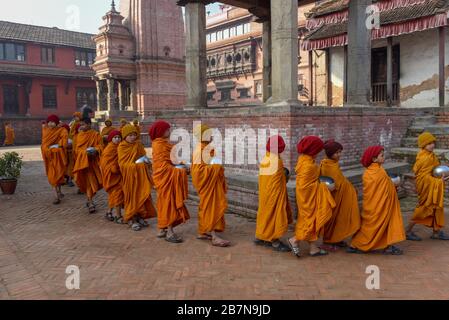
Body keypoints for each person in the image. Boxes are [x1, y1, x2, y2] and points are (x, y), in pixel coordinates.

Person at [347, 146, 405, 255]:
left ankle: (385, 245)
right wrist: (394, 187)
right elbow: (384, 187)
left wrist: (391, 188)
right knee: (375, 226)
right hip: (379, 205)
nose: (384, 157)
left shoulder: (370, 171)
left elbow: (385, 186)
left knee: (374, 225)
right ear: (374, 159)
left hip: (376, 204)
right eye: (382, 155)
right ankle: (358, 244)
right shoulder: (378, 172)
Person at [288, 136, 336, 258]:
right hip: (307, 198)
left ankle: (313, 249)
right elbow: (306, 186)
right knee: (310, 221)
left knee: (311, 221)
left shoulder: (304, 159)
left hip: (307, 197)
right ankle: (295, 239)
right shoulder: (309, 166)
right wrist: (325, 187)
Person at [150, 120, 190, 243]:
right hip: (164, 178)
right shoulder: (158, 145)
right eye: (167, 130)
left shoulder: (165, 144)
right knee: (168, 204)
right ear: (161, 132)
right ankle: (169, 232)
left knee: (163, 203)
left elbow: (173, 160)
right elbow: (163, 167)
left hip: (167, 178)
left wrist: (183, 164)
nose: (169, 131)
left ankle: (162, 229)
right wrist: (180, 171)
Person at [191, 124, 230, 247]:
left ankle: (203, 231)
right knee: (210, 207)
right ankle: (214, 236)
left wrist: (215, 167)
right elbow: (198, 172)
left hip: (212, 183)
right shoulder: (199, 150)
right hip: (207, 184)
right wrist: (215, 168)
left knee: (207, 206)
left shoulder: (207, 147)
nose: (211, 136)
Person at [406, 132, 449, 241]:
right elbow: (423, 177)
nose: (432, 145)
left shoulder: (431, 155)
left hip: (432, 186)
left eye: (433, 142)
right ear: (423, 145)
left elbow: (434, 170)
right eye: (429, 143)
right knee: (423, 209)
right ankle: (407, 231)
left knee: (436, 207)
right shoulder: (424, 158)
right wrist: (438, 181)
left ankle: (436, 232)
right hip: (426, 188)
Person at [319, 140, 361, 250]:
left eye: (340, 152)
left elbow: (341, 180)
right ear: (329, 153)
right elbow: (333, 183)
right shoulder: (326, 165)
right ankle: (328, 241)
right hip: (334, 198)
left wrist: (350, 189)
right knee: (332, 219)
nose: (339, 155)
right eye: (337, 153)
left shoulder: (334, 164)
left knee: (340, 218)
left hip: (342, 197)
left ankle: (336, 239)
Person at [255, 135, 292, 252]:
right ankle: (274, 241)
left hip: (265, 192)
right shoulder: (277, 161)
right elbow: (280, 180)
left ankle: (262, 235)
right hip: (274, 194)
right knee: (274, 216)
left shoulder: (266, 158)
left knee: (264, 214)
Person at [118, 124, 157, 231]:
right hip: (129, 177)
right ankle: (132, 219)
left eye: (134, 135)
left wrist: (146, 163)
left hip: (141, 176)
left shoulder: (138, 145)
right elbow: (122, 165)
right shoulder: (122, 147)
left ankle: (140, 217)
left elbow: (143, 157)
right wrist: (138, 165)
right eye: (130, 135)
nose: (132, 137)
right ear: (125, 136)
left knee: (142, 196)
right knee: (132, 197)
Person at [72, 118, 103, 214]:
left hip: (92, 163)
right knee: (87, 183)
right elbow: (76, 151)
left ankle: (90, 200)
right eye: (81, 124)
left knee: (92, 182)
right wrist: (84, 153)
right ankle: (90, 201)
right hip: (82, 164)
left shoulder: (95, 135)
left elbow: (101, 146)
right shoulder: (78, 137)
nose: (82, 126)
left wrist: (95, 150)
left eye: (84, 124)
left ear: (90, 124)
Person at [41, 115, 68, 205]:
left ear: (56, 123)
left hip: (58, 156)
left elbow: (64, 140)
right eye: (49, 122)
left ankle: (59, 192)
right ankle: (56, 196)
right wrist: (49, 150)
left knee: (59, 174)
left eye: (53, 122)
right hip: (49, 157)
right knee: (53, 176)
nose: (51, 124)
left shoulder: (61, 130)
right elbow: (44, 144)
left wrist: (59, 146)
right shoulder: (45, 130)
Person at [100, 130, 125, 224]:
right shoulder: (109, 149)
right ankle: (118, 216)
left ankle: (109, 212)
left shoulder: (121, 147)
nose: (117, 139)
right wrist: (114, 167)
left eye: (119, 137)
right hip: (112, 176)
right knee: (117, 194)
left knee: (114, 195)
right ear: (111, 139)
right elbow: (104, 164)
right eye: (115, 138)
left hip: (119, 175)